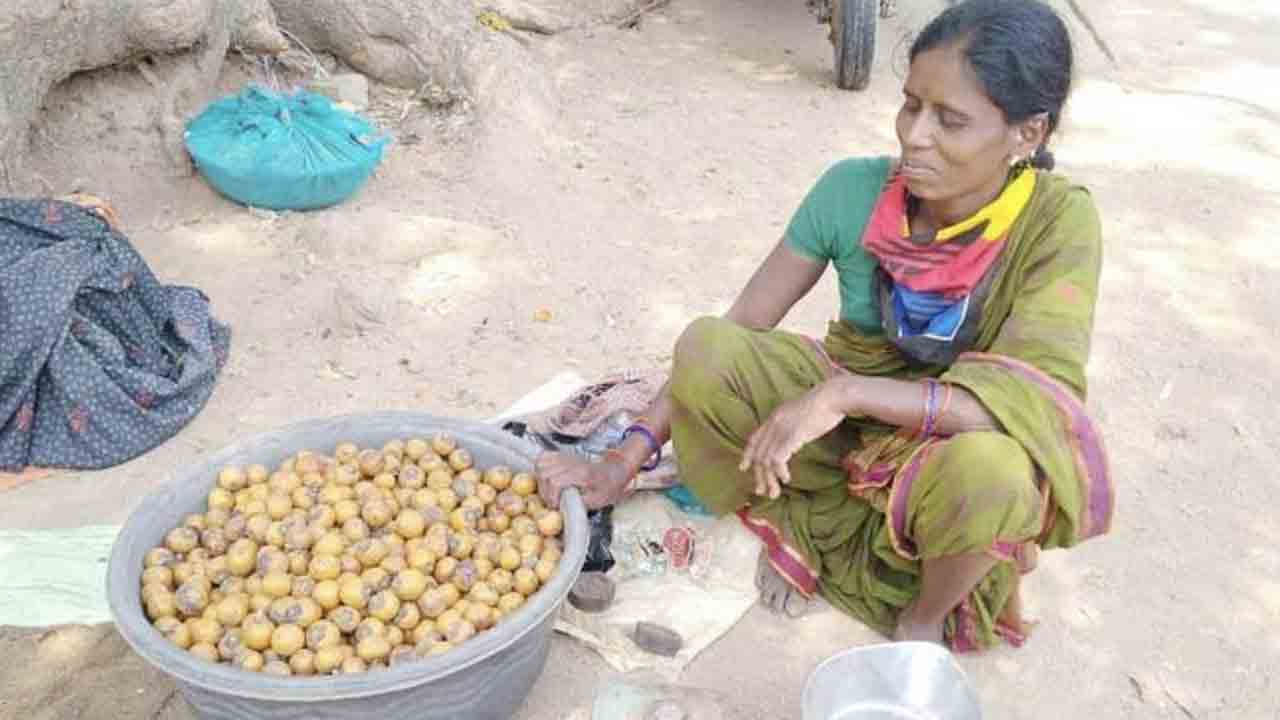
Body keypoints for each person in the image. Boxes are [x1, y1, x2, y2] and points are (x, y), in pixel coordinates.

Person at [536, 0, 1112, 652]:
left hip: (947, 452)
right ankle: (805, 521)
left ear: (1028, 134)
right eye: (911, 105)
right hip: (838, 442)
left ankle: (923, 614)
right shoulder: (852, 190)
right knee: (707, 349)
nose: (915, 135)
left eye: (950, 120)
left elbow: (1028, 408)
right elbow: (738, 328)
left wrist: (841, 394)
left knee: (998, 476)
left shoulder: (1059, 224)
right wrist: (622, 459)